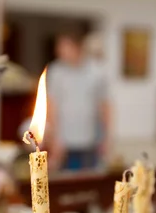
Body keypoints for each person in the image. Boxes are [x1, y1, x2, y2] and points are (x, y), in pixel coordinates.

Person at [47, 31, 111, 171]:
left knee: (89, 181)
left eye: (64, 46)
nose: (59, 51)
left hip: (90, 139)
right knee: (67, 182)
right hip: (64, 140)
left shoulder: (97, 71)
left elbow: (104, 106)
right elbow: (52, 105)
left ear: (77, 47)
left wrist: (106, 138)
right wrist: (55, 139)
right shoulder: (56, 71)